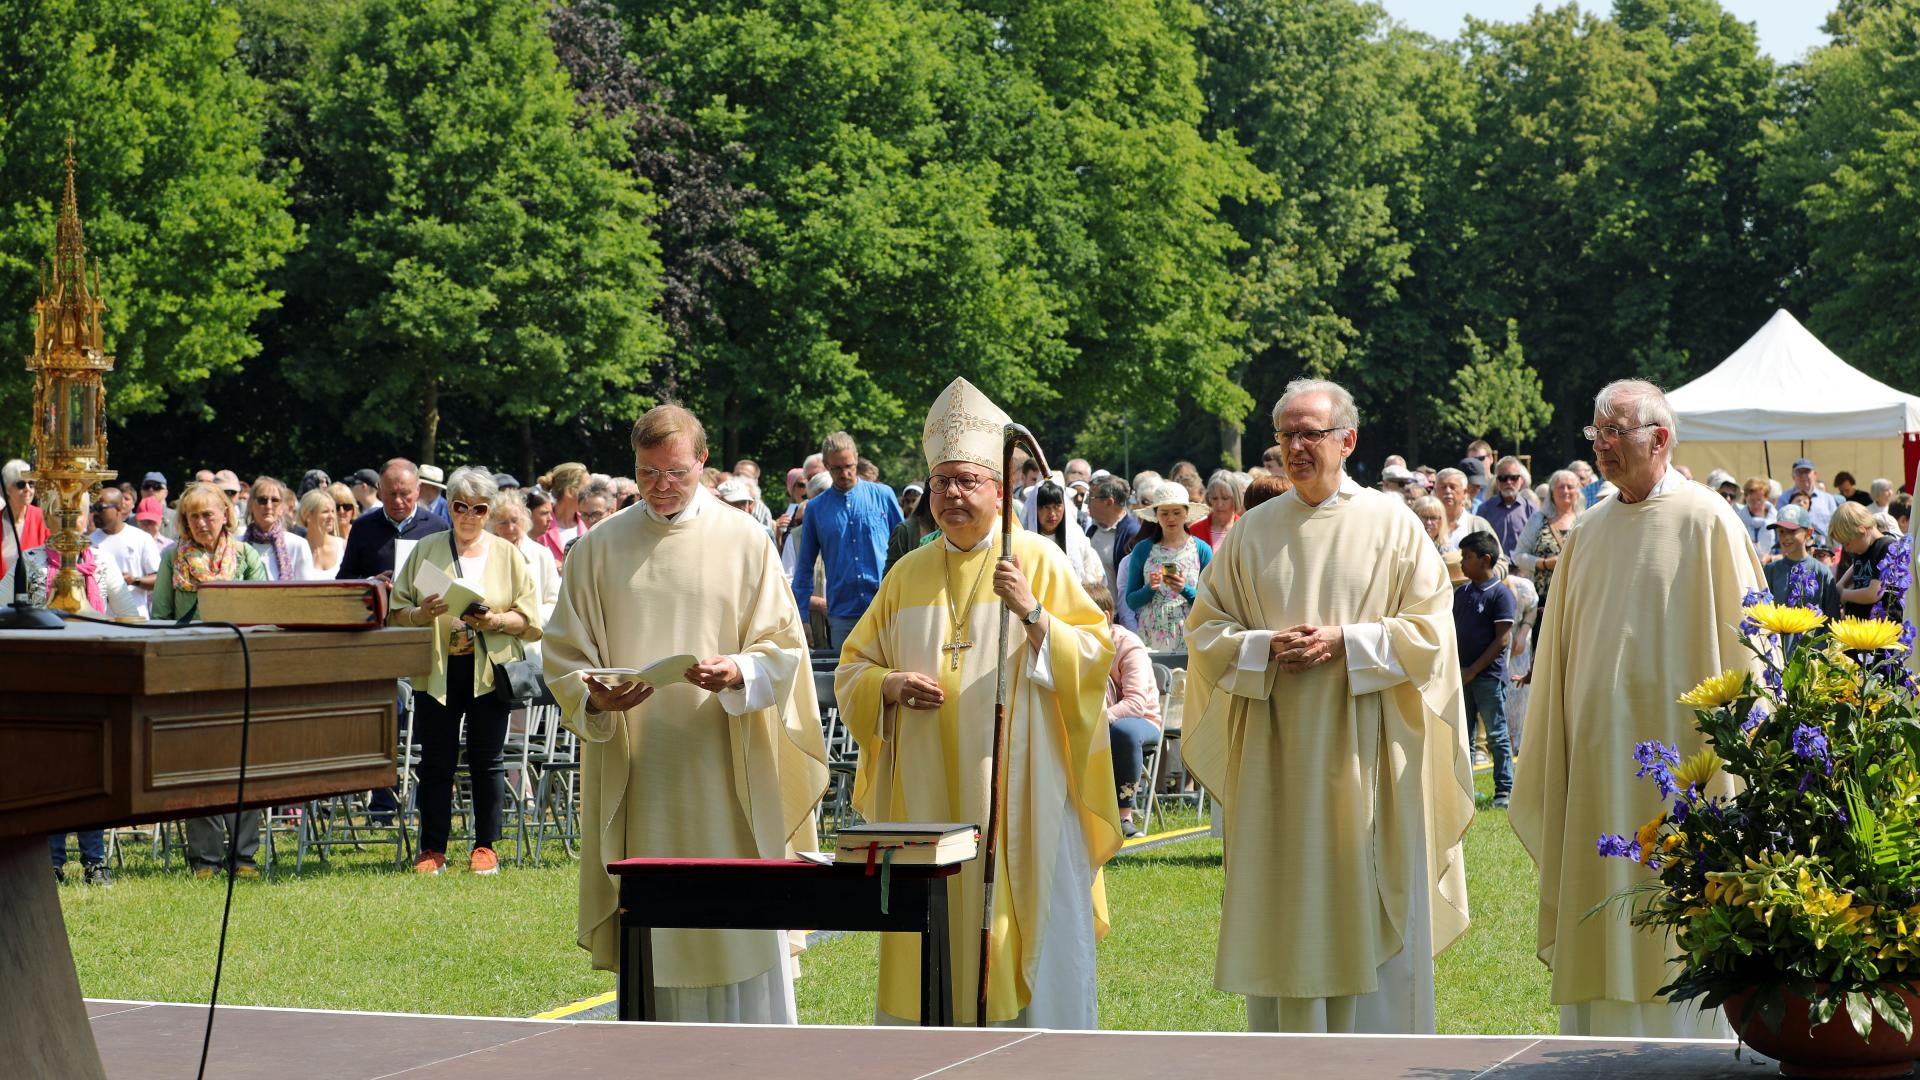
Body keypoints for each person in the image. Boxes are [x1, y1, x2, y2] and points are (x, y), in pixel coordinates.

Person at [1183, 377, 1474, 1033]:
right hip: (1276, 760)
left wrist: (1348, 642)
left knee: (1368, 897)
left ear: (1347, 440)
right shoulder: (1253, 533)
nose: (1295, 447)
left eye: (1309, 434)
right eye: (1286, 434)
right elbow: (1206, 632)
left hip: (1367, 755)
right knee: (1287, 909)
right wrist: (1261, 647)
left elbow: (1432, 632)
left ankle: (1379, 1064)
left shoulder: (1392, 525)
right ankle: (1290, 1059)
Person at [835, 376, 1120, 1027]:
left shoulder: (1037, 560)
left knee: (1025, 932)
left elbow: (1094, 656)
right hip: (927, 792)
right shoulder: (907, 573)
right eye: (941, 484)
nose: (953, 496)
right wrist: (888, 686)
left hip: (1023, 793)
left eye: (967, 481)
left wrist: (1034, 613)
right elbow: (853, 669)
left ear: (999, 490)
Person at [543, 404, 826, 1022]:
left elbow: (784, 648)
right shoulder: (598, 549)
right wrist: (596, 694)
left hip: (726, 760)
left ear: (703, 461)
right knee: (653, 914)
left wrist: (740, 671)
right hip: (640, 765)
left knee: (737, 911)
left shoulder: (745, 540)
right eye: (647, 473)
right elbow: (563, 653)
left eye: (675, 472)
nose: (661, 486)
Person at [1512, 379, 1764, 1038]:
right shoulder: (1589, 531)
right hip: (1600, 764)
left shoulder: (1708, 520)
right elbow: (1561, 651)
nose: (1602, 445)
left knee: (1685, 911)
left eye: (1615, 432)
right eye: (1597, 432)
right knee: (1602, 893)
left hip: (1688, 760)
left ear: (1660, 439)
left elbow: (1749, 651)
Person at [389, 468, 543, 876]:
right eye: (461, 506)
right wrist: (421, 613)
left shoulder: (508, 554)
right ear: (450, 506)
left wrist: (495, 620)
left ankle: (486, 847)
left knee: (487, 760)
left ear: (488, 511)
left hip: (491, 670)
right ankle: (432, 849)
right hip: (438, 669)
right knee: (435, 762)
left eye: (479, 508)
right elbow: (396, 609)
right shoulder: (427, 548)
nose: (469, 516)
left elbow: (529, 619)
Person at [152, 483, 269, 875]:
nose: (201, 523)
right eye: (193, 516)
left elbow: (265, 612)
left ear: (225, 515)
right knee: (197, 764)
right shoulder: (172, 558)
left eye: (208, 514)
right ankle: (205, 858)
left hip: (240, 670)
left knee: (243, 763)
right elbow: (161, 619)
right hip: (191, 672)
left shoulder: (247, 556)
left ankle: (244, 856)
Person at [791, 431, 903, 648]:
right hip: (843, 614)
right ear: (826, 466)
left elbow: (906, 550)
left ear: (856, 458)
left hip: (887, 607)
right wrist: (802, 617)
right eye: (836, 468)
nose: (844, 473)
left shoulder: (883, 495)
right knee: (846, 670)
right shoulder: (815, 509)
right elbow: (804, 567)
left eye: (849, 466)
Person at [1087, 581, 1159, 839]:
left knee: (1123, 732)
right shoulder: (1077, 644)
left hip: (1141, 721)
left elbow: (1136, 703)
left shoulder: (1128, 645)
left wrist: (1098, 719)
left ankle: (1123, 815)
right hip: (1097, 719)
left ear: (1106, 617)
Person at [1453, 532, 1516, 808]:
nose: (1462, 562)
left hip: (1488, 677)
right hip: (1462, 677)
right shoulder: (1461, 594)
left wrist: (1474, 670)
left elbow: (1502, 639)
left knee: (1496, 735)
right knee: (1462, 736)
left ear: (1485, 559)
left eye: (1467, 556)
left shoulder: (1500, 594)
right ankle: (1465, 791)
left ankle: (1504, 790)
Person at [1124, 481, 1212, 653]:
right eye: (1164, 513)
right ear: (1156, 515)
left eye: (1177, 512)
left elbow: (1211, 603)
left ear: (1186, 512)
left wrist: (1184, 589)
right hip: (1151, 637)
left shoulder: (1201, 549)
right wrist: (1150, 589)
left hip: (1191, 636)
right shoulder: (1142, 549)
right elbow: (1131, 601)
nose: (1170, 518)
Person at [337, 459, 450, 581]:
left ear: (418, 490)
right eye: (391, 493)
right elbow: (344, 579)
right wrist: (371, 583)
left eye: (404, 494)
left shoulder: (438, 528)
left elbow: (449, 577)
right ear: (380, 491)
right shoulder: (362, 527)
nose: (398, 501)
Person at [1513, 470, 1584, 652]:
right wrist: (1544, 563)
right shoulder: (1538, 519)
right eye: (1561, 487)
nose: (1566, 491)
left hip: (1577, 598)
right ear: (1552, 491)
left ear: (1578, 491)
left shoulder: (1586, 519)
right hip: (1543, 602)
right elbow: (1519, 556)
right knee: (1544, 652)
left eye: (1570, 487)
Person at [1763, 505, 1840, 633]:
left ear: (1808, 533)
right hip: (1778, 643)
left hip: (1812, 645)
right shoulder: (1770, 570)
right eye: (1781, 532)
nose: (1786, 537)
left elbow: (1832, 620)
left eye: (1792, 531)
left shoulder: (1822, 572)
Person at [90, 485, 161, 616]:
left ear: (119, 508)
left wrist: (134, 580)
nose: (95, 513)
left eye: (100, 508)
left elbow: (159, 579)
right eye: (92, 508)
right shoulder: (88, 542)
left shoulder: (141, 538)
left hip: (134, 618)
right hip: (98, 619)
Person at [1084, 475, 1142, 633]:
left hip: (1120, 624)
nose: (1087, 503)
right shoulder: (1092, 531)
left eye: (1091, 497)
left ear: (1109, 501)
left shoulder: (1133, 535)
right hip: (1093, 620)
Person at [1830, 501, 1901, 622]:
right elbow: (1854, 569)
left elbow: (1874, 593)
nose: (1846, 549)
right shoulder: (1862, 549)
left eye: (1847, 543)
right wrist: (1840, 585)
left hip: (1881, 625)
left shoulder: (1887, 547)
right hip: (1860, 624)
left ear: (1862, 530)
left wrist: (1843, 594)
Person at [240, 476, 316, 582]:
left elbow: (306, 590)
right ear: (250, 506)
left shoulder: (298, 545)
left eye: (275, 500)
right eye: (262, 500)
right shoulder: (236, 545)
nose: (269, 506)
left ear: (281, 508)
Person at [1033, 479, 1105, 587]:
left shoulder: (1077, 537)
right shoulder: (1026, 539)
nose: (1052, 513)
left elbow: (1091, 575)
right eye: (1045, 507)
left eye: (1057, 506)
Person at [2, 459, 50, 590]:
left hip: (34, 595)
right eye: (21, 484)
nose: (27, 489)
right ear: (7, 489)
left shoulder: (44, 518)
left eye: (31, 484)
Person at [1479, 457, 1535, 556]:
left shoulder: (1530, 509)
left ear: (1520, 480)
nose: (1509, 482)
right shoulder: (1485, 509)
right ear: (1497, 481)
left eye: (1513, 478)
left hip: (1522, 564)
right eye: (1503, 478)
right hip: (1496, 564)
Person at [1776, 457, 1843, 536]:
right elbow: (1779, 528)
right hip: (1794, 543)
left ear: (1815, 474)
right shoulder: (1784, 499)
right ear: (1793, 477)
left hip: (1823, 543)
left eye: (1807, 471)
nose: (1804, 475)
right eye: (1799, 472)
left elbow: (1836, 526)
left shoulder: (1828, 499)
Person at [885, 478, 939, 574]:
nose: (910, 505)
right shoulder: (904, 529)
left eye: (914, 500)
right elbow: (891, 571)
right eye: (907, 501)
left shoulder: (949, 529)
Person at [296, 489, 346, 578]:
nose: (331, 516)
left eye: (333, 511)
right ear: (307, 515)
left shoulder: (343, 547)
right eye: (325, 511)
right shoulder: (297, 549)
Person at [1190, 473, 1242, 549]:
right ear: (1208, 498)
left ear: (1235, 498)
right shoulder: (1194, 531)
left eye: (1225, 498)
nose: (1219, 504)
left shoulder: (1245, 529)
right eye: (1214, 498)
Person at [1733, 476, 1777, 559]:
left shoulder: (1776, 519)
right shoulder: (1738, 520)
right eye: (1752, 500)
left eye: (1759, 500)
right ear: (1746, 498)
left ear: (1766, 498)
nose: (1756, 504)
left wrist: (1771, 558)